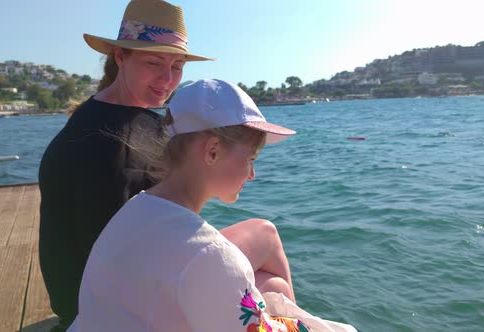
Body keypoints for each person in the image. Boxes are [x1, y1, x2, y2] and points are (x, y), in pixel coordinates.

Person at [39, 1, 296, 330]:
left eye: (178, 66)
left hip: (97, 292)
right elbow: (137, 263)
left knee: (268, 265)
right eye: (154, 63)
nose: (167, 78)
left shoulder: (106, 119)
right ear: (121, 56)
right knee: (269, 256)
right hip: (107, 302)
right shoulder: (110, 148)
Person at [68, 79, 356, 332]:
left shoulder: (135, 210)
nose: (253, 174)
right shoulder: (209, 255)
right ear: (212, 151)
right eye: (251, 159)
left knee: (274, 288)